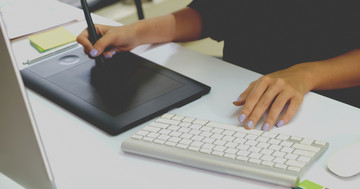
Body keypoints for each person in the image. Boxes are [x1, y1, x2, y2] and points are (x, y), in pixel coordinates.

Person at [77, 0, 360, 131]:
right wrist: (136, 33)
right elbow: (214, 12)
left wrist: (306, 74)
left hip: (329, 107)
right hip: (235, 100)